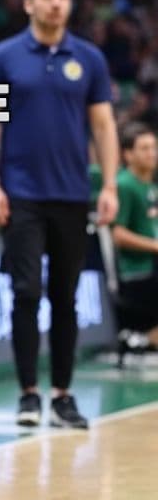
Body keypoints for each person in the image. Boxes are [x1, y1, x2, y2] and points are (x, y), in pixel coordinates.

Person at [0, 0, 119, 431]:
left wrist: (110, 184)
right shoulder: (3, 57)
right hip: (22, 196)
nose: (57, 3)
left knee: (65, 297)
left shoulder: (89, 59)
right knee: (25, 292)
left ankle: (62, 395)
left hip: (73, 195)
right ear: (29, 3)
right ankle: (28, 394)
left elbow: (103, 125)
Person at [110, 123, 158, 347]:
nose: (152, 153)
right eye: (144, 148)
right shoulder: (124, 185)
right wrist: (155, 246)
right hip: (138, 273)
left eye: (154, 147)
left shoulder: (151, 185)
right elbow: (118, 235)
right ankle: (143, 339)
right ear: (128, 154)